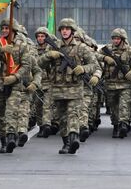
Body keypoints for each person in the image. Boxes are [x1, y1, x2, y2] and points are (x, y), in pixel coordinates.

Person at [39, 18, 100, 154]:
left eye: (67, 29)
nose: (65, 31)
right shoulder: (52, 46)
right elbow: (39, 64)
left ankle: (74, 139)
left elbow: (94, 65)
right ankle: (66, 143)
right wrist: (48, 56)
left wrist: (83, 69)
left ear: (72, 31)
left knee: (73, 115)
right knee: (62, 118)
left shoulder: (81, 47)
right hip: (58, 88)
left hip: (75, 88)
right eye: (62, 29)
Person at [0, 18, 31, 154]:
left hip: (14, 83)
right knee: (0, 115)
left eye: (7, 28)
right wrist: (0, 50)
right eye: (2, 28)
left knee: (11, 111)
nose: (4, 30)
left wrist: (15, 76)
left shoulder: (22, 45)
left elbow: (26, 66)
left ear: (13, 30)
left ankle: (11, 136)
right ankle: (3, 141)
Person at [98, 28, 131, 138]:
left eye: (118, 38)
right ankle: (115, 125)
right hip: (110, 83)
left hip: (125, 84)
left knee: (124, 105)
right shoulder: (107, 49)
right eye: (114, 38)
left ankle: (123, 124)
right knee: (113, 106)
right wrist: (105, 58)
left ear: (123, 39)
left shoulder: (130, 50)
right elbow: (95, 56)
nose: (115, 41)